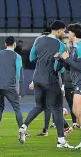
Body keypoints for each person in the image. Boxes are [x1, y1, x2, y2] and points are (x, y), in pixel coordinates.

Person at [19, 20, 73, 148]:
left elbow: (32, 58)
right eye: (64, 31)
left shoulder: (38, 40)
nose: (64, 33)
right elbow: (59, 68)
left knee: (39, 106)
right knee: (57, 109)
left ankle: (23, 126)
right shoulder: (61, 45)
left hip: (37, 78)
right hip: (51, 81)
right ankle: (61, 141)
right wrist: (60, 61)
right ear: (59, 30)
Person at [0, 36, 24, 142]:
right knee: (17, 108)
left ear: (5, 44)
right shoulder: (17, 56)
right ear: (14, 44)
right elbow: (19, 73)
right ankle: (22, 130)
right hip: (9, 86)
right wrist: (21, 90)